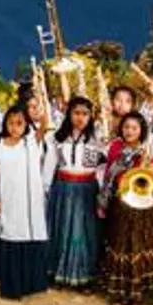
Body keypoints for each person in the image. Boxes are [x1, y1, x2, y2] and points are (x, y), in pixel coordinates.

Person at [99, 113, 153, 305]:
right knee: (121, 249)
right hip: (119, 207)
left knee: (138, 250)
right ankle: (120, 293)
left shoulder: (148, 152)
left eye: (134, 128)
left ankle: (137, 296)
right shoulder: (115, 148)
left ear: (141, 131)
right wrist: (104, 200)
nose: (129, 131)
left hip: (143, 211)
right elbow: (108, 174)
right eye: (126, 127)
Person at [0, 106, 50, 300]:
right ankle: (10, 286)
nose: (15, 127)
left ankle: (30, 284)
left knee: (28, 235)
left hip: (29, 203)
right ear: (5, 123)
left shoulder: (31, 142)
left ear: (26, 124)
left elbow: (44, 126)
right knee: (9, 236)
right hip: (7, 199)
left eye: (19, 123)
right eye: (11, 123)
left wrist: (41, 109)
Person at [43, 96, 105, 289]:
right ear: (69, 114)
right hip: (63, 189)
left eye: (85, 114)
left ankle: (83, 275)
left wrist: (102, 193)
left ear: (91, 116)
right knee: (62, 230)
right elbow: (50, 165)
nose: (80, 118)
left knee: (83, 233)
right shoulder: (57, 138)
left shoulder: (98, 139)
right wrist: (45, 189)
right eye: (76, 113)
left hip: (87, 191)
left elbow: (103, 168)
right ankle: (59, 273)